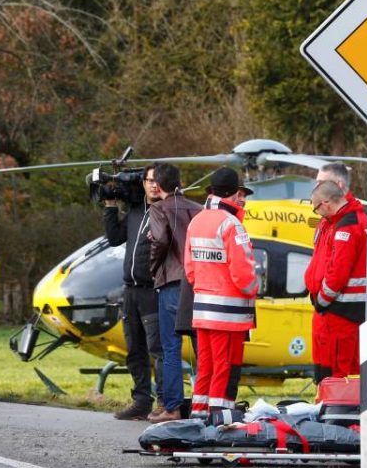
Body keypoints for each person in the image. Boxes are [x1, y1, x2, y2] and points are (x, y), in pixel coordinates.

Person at [184, 167, 258, 424]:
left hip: (203, 308)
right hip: (228, 313)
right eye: (240, 193)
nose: (243, 199)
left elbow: (190, 268)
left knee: (205, 366)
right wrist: (254, 289)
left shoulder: (196, 220)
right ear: (232, 193)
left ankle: (198, 414)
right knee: (224, 367)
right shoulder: (231, 224)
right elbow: (243, 273)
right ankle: (219, 419)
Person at [103, 165, 164, 420]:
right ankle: (141, 401)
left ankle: (164, 401)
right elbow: (115, 237)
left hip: (152, 291)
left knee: (157, 349)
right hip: (130, 291)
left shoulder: (166, 213)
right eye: (148, 180)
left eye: (157, 181)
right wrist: (109, 206)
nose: (152, 185)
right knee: (134, 348)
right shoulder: (137, 212)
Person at [304, 179, 367, 381]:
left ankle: (333, 410)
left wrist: (323, 300)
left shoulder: (347, 227)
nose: (317, 213)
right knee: (348, 371)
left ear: (326, 203)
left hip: (336, 313)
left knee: (334, 373)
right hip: (344, 313)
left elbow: (337, 272)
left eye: (316, 209)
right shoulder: (354, 221)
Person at [147, 163, 202, 423]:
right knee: (202, 346)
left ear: (157, 185)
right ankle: (206, 404)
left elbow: (159, 240)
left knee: (171, 347)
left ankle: (172, 407)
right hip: (199, 283)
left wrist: (153, 266)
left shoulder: (158, 209)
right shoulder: (198, 209)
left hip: (172, 283)